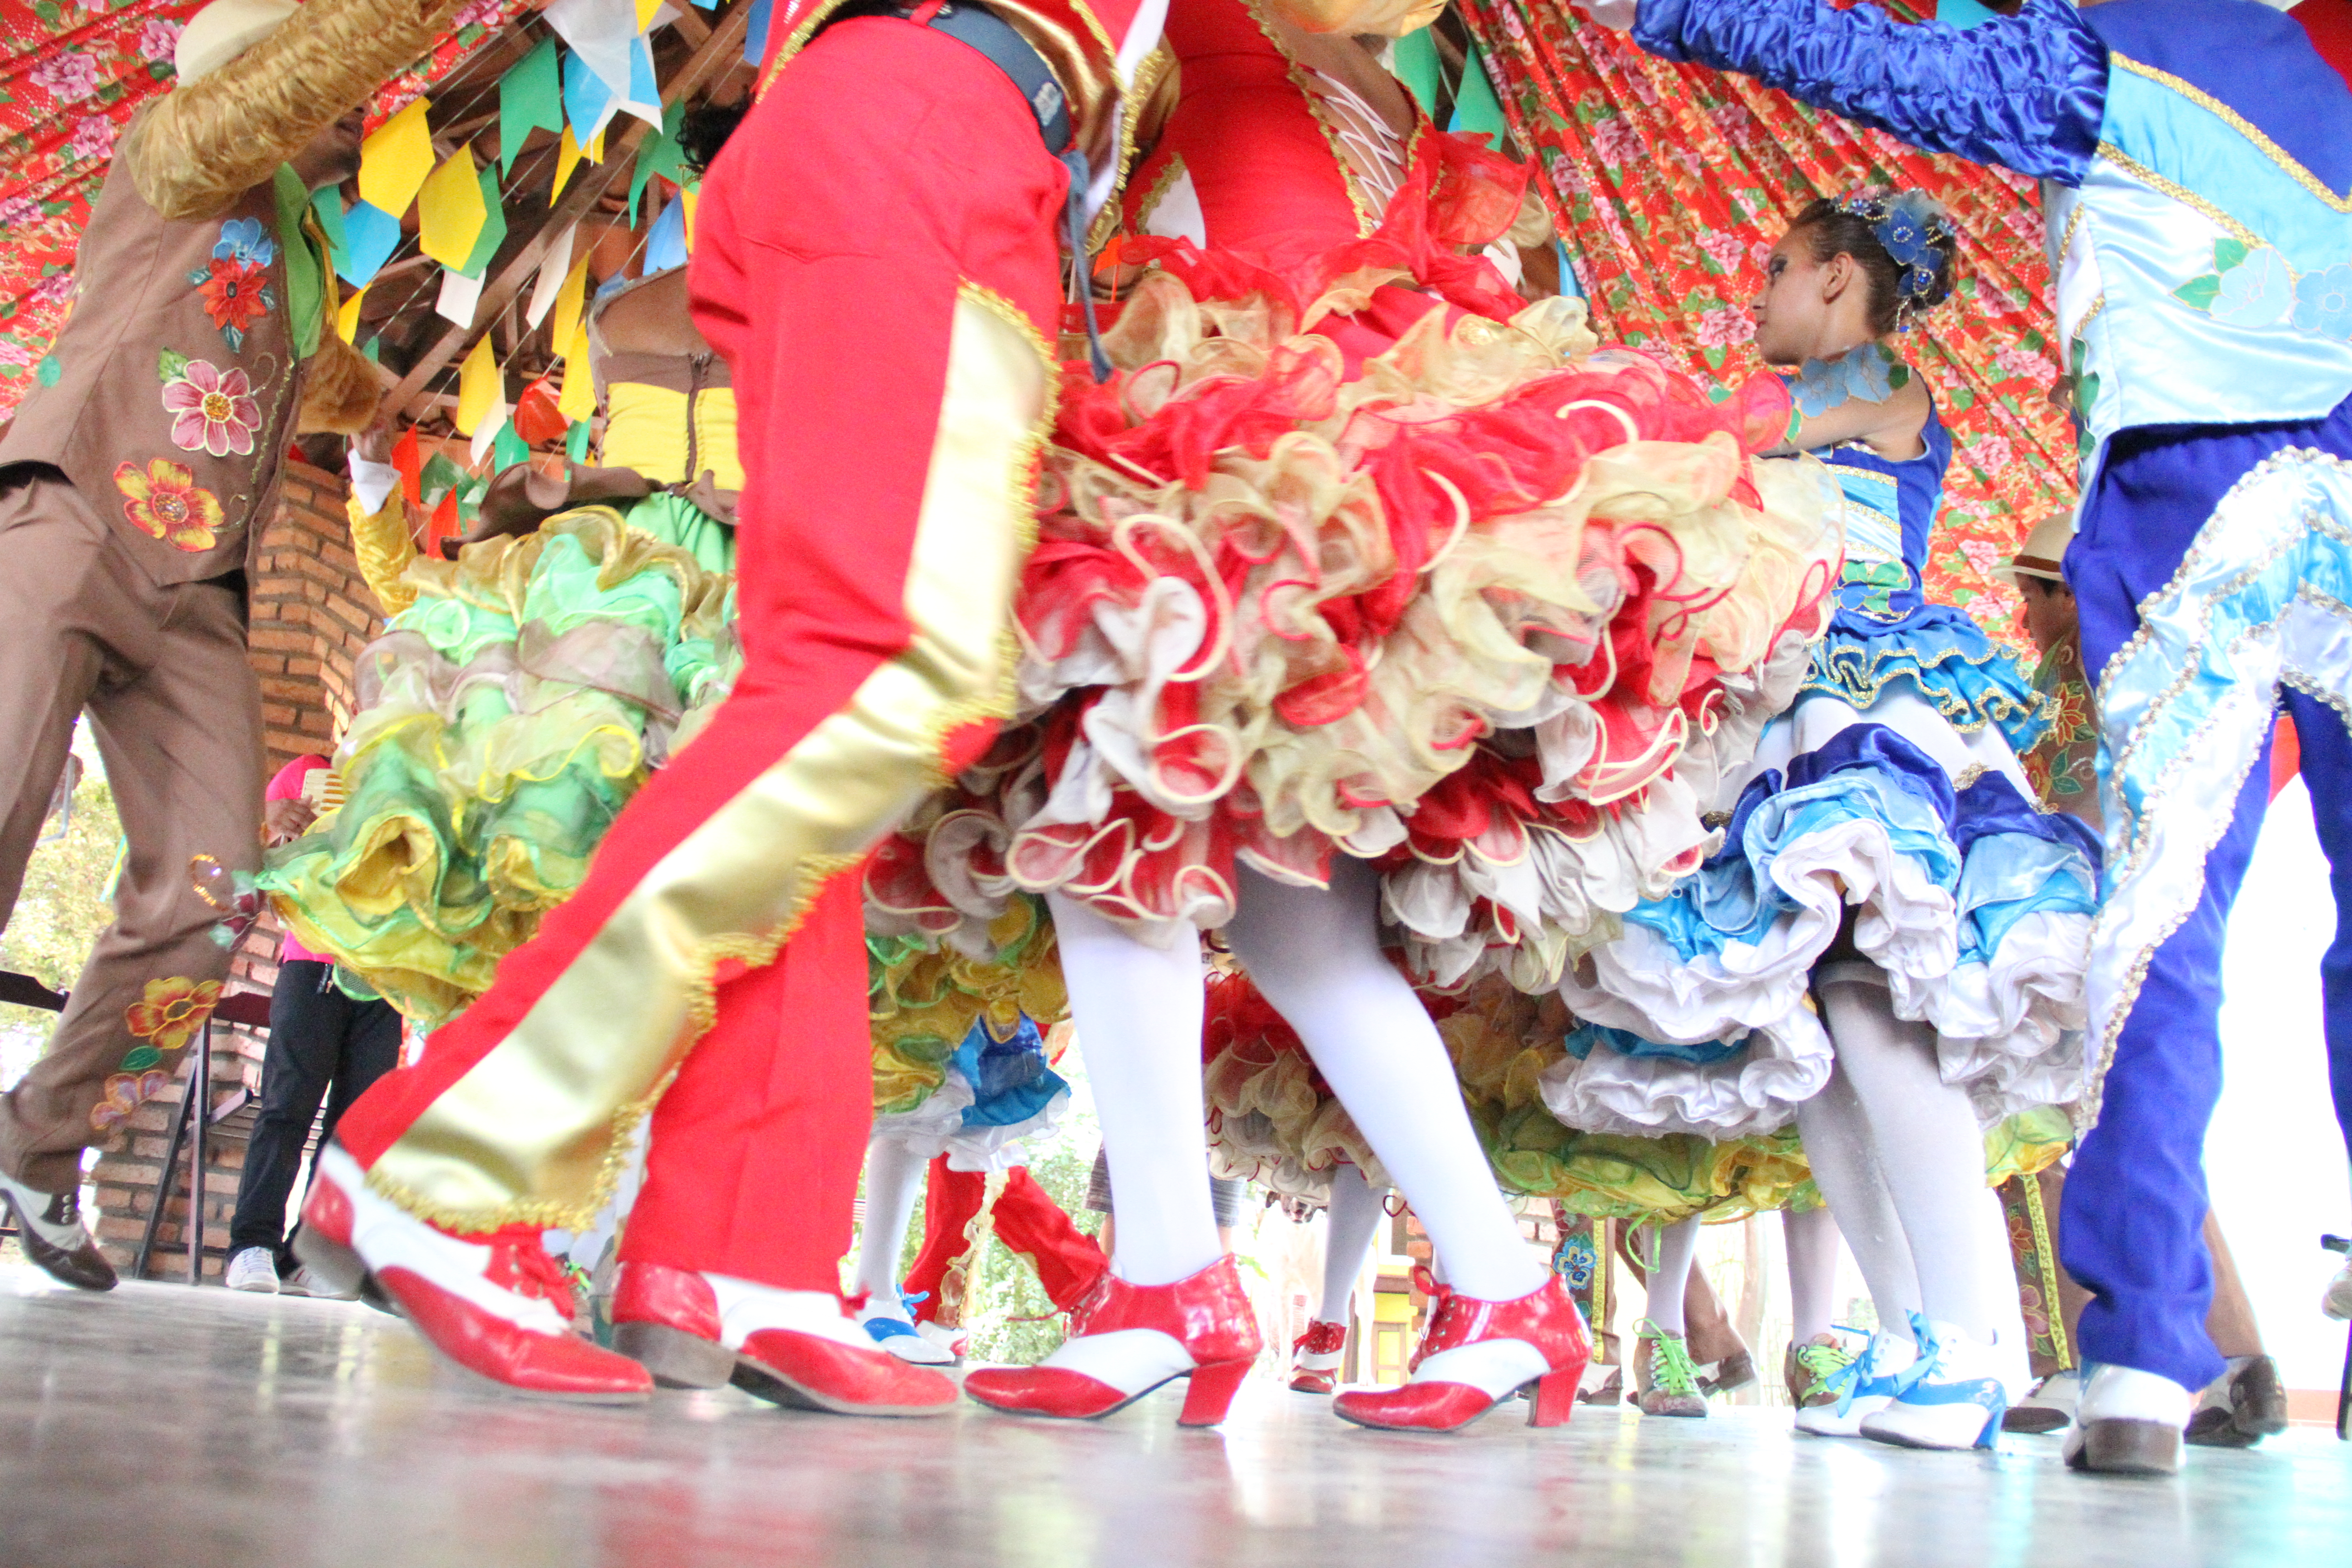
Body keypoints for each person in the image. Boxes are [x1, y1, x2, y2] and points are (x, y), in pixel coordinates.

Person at [911, 0, 1838, 1433]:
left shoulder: (1213, 26)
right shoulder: (1368, 71)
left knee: (1126, 849)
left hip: (1244, 442)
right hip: (1326, 443)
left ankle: (1174, 1277)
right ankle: (1502, 1295)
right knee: (1291, 927)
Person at [296, 0, 1167, 1412]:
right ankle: (457, 1157)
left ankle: (741, 1247)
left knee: (827, 701)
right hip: (933, 125)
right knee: (885, 679)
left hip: (900, 138)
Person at [1577, 0, 2352, 1479]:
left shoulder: (2111, 57)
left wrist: (1656, 7)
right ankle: (1959, 1333)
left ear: (1837, 279)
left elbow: (1884, 65)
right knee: (1826, 1008)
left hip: (2181, 496)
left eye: (1785, 269)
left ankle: (2093, 1345)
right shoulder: (2312, 69)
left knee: (2145, 927)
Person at [1549, 191, 2098, 1450]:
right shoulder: (1815, 400)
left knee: (1866, 1001)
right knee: (1821, 1042)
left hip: (1868, 705)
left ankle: (1969, 1342)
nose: (1759, 295)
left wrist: (1584, 394)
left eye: (1780, 269)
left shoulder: (1882, 387)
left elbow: (1724, 425)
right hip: (1782, 702)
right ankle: (1911, 1341)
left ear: (1842, 281)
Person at [0, 0, 427, 1289]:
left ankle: (38, 1143)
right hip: (71, 518)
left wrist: (415, 431)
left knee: (215, 886)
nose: (356, 120)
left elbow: (339, 389)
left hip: (201, 600)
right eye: (328, 94)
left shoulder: (301, 252)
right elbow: (308, 75)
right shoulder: (180, 148)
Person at [1997, 512, 2289, 1450]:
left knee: (2029, 1137)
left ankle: (2080, 1362)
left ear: (2064, 595)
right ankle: (2235, 1360)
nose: (2026, 619)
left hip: (2069, 903)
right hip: (2144, 897)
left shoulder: (2079, 671)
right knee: (2141, 1134)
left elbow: (2068, 792)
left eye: (2031, 597)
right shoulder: (2161, 652)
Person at [224, 755, 403, 1296]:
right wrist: (272, 825)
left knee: (353, 1125)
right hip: (314, 965)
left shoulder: (421, 777)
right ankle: (251, 1245)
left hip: (388, 972)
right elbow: (256, 871)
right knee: (287, 1107)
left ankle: (311, 1254)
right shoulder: (308, 772)